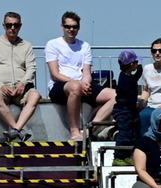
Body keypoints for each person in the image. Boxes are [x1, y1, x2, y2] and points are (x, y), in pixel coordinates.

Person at [45, 11, 116, 142]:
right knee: (75, 86)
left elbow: (87, 72)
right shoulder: (52, 44)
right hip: (59, 86)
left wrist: (85, 84)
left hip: (81, 85)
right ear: (62, 27)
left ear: (78, 28)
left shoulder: (85, 46)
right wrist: (78, 84)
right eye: (68, 27)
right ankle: (74, 130)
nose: (71, 29)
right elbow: (55, 74)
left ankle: (91, 128)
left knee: (116, 95)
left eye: (74, 27)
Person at [0, 11, 40, 142]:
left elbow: (31, 67)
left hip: (21, 88)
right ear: (4, 25)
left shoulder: (26, 45)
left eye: (16, 25)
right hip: (1, 87)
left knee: (35, 95)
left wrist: (23, 83)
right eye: (9, 25)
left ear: (20, 26)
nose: (12, 28)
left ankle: (14, 131)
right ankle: (18, 129)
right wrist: (1, 85)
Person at [112, 50, 142, 165]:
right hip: (124, 111)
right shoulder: (127, 81)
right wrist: (134, 114)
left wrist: (139, 72)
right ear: (131, 64)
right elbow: (129, 100)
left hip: (125, 109)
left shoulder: (124, 76)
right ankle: (118, 157)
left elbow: (134, 80)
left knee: (131, 135)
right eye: (135, 62)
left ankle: (127, 156)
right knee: (125, 134)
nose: (137, 64)